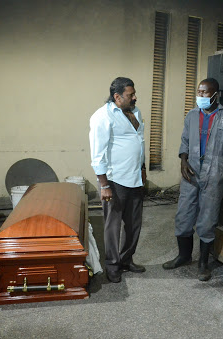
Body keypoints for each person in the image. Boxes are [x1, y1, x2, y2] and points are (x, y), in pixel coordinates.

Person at [163, 78, 223, 281]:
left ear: (215, 95)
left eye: (205, 93)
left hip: (214, 174)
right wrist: (183, 161)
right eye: (199, 92)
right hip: (191, 172)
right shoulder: (192, 115)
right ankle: (183, 256)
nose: (201, 96)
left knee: (208, 218)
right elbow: (185, 140)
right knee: (184, 214)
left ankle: (203, 263)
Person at [89, 77, 146, 283]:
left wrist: (143, 169)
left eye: (133, 93)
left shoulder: (135, 112)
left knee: (134, 224)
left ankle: (126, 260)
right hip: (114, 180)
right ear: (117, 96)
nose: (134, 97)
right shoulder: (102, 117)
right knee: (113, 226)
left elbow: (139, 142)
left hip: (135, 178)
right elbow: (98, 154)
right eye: (130, 95)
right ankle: (112, 266)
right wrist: (104, 185)